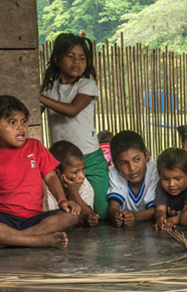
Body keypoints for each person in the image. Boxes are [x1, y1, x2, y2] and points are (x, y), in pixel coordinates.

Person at [0, 96, 80, 250]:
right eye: (12, 122)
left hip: (35, 219)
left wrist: (62, 201)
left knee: (70, 216)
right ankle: (37, 241)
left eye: (23, 121)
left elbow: (51, 176)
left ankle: (7, 241)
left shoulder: (35, 147)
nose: (21, 127)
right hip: (2, 220)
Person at [40, 33, 109, 220]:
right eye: (70, 56)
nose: (76, 62)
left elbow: (72, 110)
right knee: (61, 207)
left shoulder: (86, 85)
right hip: (60, 162)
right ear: (56, 59)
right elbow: (32, 114)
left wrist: (38, 97)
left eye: (82, 58)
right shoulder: (48, 89)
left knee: (100, 211)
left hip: (90, 158)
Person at [107, 131, 159, 227]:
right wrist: (115, 215)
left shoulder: (154, 172)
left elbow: (157, 210)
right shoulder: (115, 174)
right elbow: (113, 206)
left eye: (137, 159)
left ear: (147, 156)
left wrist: (135, 216)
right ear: (116, 165)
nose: (132, 167)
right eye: (123, 163)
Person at [46, 140, 99, 227]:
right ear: (57, 173)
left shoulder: (83, 183)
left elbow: (88, 214)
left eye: (83, 169)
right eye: (75, 172)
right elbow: (51, 222)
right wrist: (81, 219)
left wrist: (73, 192)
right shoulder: (46, 189)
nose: (82, 175)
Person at [153, 148, 187, 230]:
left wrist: (171, 220)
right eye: (165, 179)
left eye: (177, 179)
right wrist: (161, 219)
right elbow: (160, 210)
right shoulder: (161, 186)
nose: (171, 184)